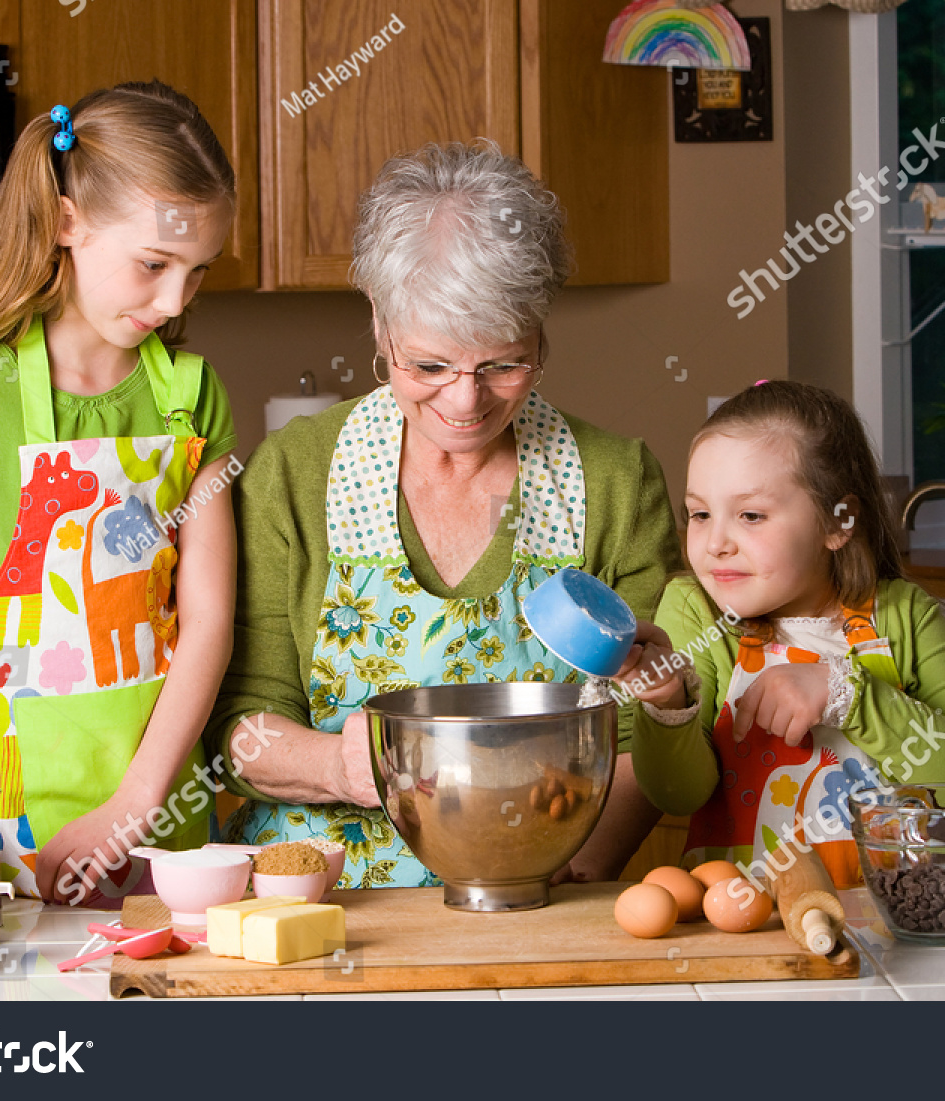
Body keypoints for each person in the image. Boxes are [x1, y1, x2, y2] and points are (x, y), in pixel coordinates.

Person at [205, 141, 681, 888]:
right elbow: (239, 727)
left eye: (503, 364)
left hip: (538, 896)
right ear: (380, 325)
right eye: (428, 365)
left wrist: (564, 873)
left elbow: (641, 736)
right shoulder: (292, 475)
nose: (465, 402)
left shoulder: (616, 482)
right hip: (320, 904)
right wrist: (337, 763)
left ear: (542, 334)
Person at [0, 82, 241, 903]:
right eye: (153, 264)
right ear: (68, 221)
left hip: (156, 816)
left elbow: (210, 620)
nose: (174, 301)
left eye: (197, 273)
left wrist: (133, 806)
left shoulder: (193, 394)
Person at [624, 381, 945, 889]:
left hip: (888, 917)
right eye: (699, 514)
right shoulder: (695, 612)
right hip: (745, 923)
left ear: (838, 521)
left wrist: (847, 696)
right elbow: (678, 793)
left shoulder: (903, 618)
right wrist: (669, 705)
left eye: (751, 515)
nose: (715, 543)